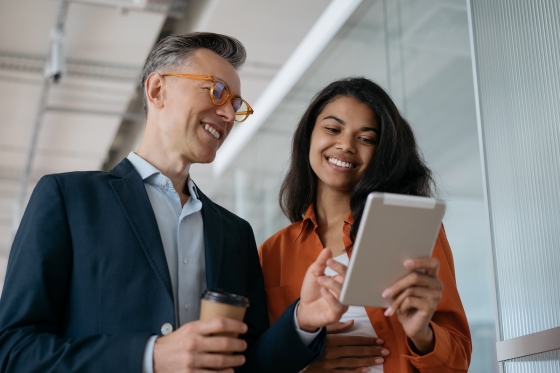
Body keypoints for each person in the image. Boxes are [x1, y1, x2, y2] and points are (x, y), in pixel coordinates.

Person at [0, 33, 349, 373]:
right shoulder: (69, 198)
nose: (228, 114)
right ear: (157, 90)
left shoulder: (235, 234)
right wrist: (151, 356)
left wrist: (301, 320)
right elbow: (13, 350)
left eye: (235, 104)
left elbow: (249, 361)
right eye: (217, 91)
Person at [259, 77, 472, 373]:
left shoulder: (409, 230)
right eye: (333, 129)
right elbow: (258, 359)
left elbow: (458, 362)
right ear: (309, 135)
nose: (346, 145)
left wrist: (422, 334)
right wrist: (306, 364)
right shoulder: (271, 253)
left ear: (381, 153)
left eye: (366, 138)